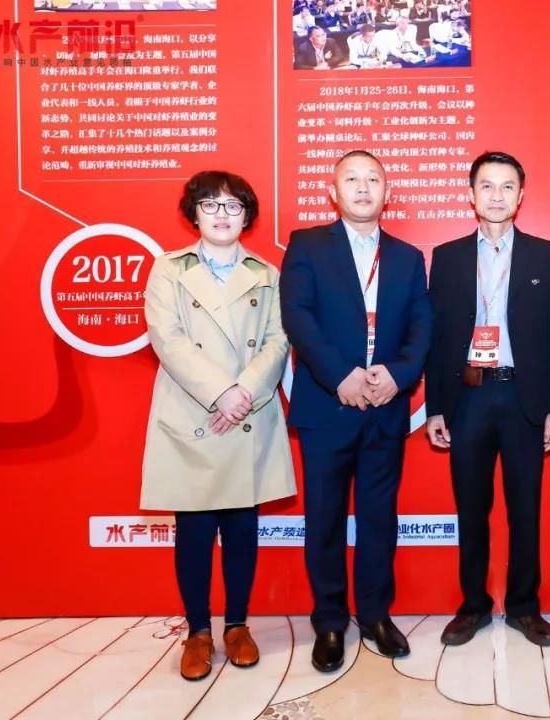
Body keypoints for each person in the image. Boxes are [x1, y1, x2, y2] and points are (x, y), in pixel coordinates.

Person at [141, 170, 297, 681]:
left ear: (247, 216)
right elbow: (168, 339)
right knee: (194, 529)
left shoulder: (267, 273)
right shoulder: (169, 269)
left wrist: (243, 392)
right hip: (195, 413)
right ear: (194, 214)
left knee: (242, 526)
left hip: (247, 412)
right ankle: (197, 631)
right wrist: (220, 393)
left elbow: (278, 340)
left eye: (233, 206)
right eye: (210, 204)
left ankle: (237, 625)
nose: (221, 214)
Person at [280, 150, 432, 672]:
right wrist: (339, 375)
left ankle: (374, 615)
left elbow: (422, 325)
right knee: (323, 518)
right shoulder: (307, 245)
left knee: (378, 519)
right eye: (352, 179)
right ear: (333, 191)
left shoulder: (408, 257)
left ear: (387, 192)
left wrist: (398, 374)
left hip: (385, 407)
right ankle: (329, 621)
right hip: (328, 406)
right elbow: (297, 316)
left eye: (373, 179)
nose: (363, 188)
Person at [426, 151, 550, 649]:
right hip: (468, 397)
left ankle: (525, 607)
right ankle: (474, 606)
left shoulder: (544, 255)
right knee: (471, 508)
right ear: (471, 194)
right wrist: (436, 407)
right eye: (487, 185)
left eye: (507, 186)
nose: (497, 195)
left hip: (524, 396)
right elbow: (438, 337)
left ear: (521, 195)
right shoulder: (447, 257)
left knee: (525, 508)